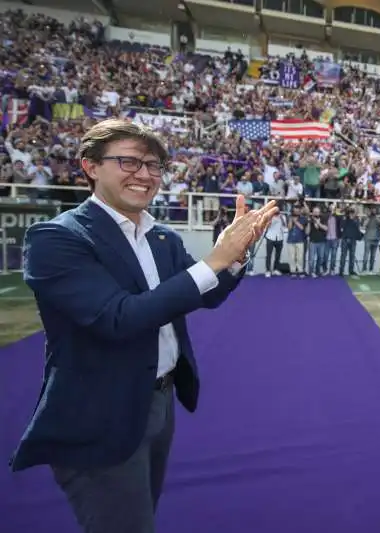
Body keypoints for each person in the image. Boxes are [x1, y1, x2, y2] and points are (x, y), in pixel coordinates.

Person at [7, 119, 278, 533]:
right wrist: (215, 260)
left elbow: (208, 293)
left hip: (159, 402)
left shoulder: (162, 238)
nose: (145, 175)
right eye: (130, 162)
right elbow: (118, 319)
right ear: (91, 166)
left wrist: (235, 256)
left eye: (154, 166)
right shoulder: (57, 238)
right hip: (100, 414)